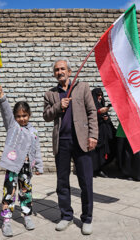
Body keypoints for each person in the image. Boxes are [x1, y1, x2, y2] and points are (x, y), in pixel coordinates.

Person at [43, 59, 98, 235]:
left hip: (81, 141)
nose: (60, 72)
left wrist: (93, 135)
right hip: (62, 142)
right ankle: (66, 215)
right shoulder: (50, 94)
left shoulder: (82, 87)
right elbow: (46, 116)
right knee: (62, 182)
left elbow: (92, 112)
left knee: (85, 181)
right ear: (54, 74)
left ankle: (87, 218)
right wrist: (59, 105)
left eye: (62, 69)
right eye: (57, 70)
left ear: (69, 71)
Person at [0, 83, 43, 237]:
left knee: (26, 193)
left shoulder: (34, 131)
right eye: (18, 116)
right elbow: (6, 111)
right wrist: (2, 97)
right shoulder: (12, 126)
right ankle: (7, 220)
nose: (21, 119)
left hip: (26, 169)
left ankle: (27, 216)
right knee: (9, 193)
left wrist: (39, 166)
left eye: (24, 115)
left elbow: (37, 150)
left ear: (29, 115)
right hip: (12, 167)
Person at [90, 88, 116, 178]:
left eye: (101, 95)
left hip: (104, 135)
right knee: (95, 153)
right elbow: (90, 117)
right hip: (95, 134)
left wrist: (106, 118)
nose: (100, 97)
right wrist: (99, 113)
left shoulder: (102, 105)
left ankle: (101, 169)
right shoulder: (91, 106)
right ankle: (94, 170)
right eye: (98, 95)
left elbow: (108, 120)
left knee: (103, 153)